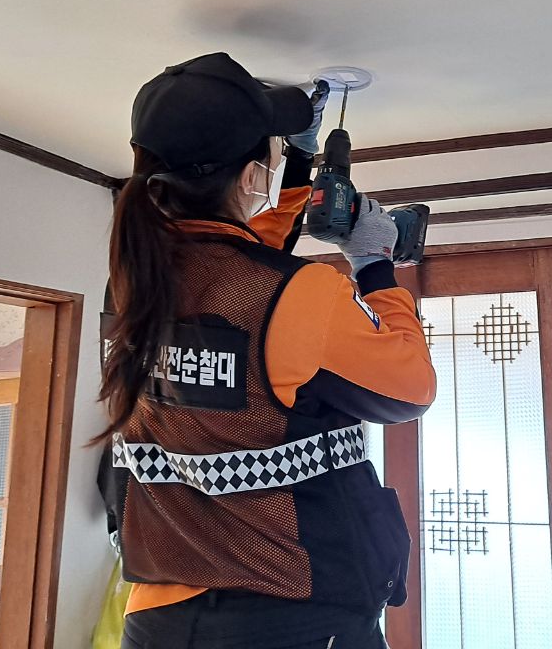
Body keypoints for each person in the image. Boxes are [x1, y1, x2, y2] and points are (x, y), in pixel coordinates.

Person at [96, 52, 436, 649]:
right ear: (252, 177)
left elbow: (240, 269)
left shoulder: (133, 283)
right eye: (272, 153)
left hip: (159, 617)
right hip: (294, 611)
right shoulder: (298, 293)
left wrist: (296, 165)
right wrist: (375, 267)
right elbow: (412, 388)